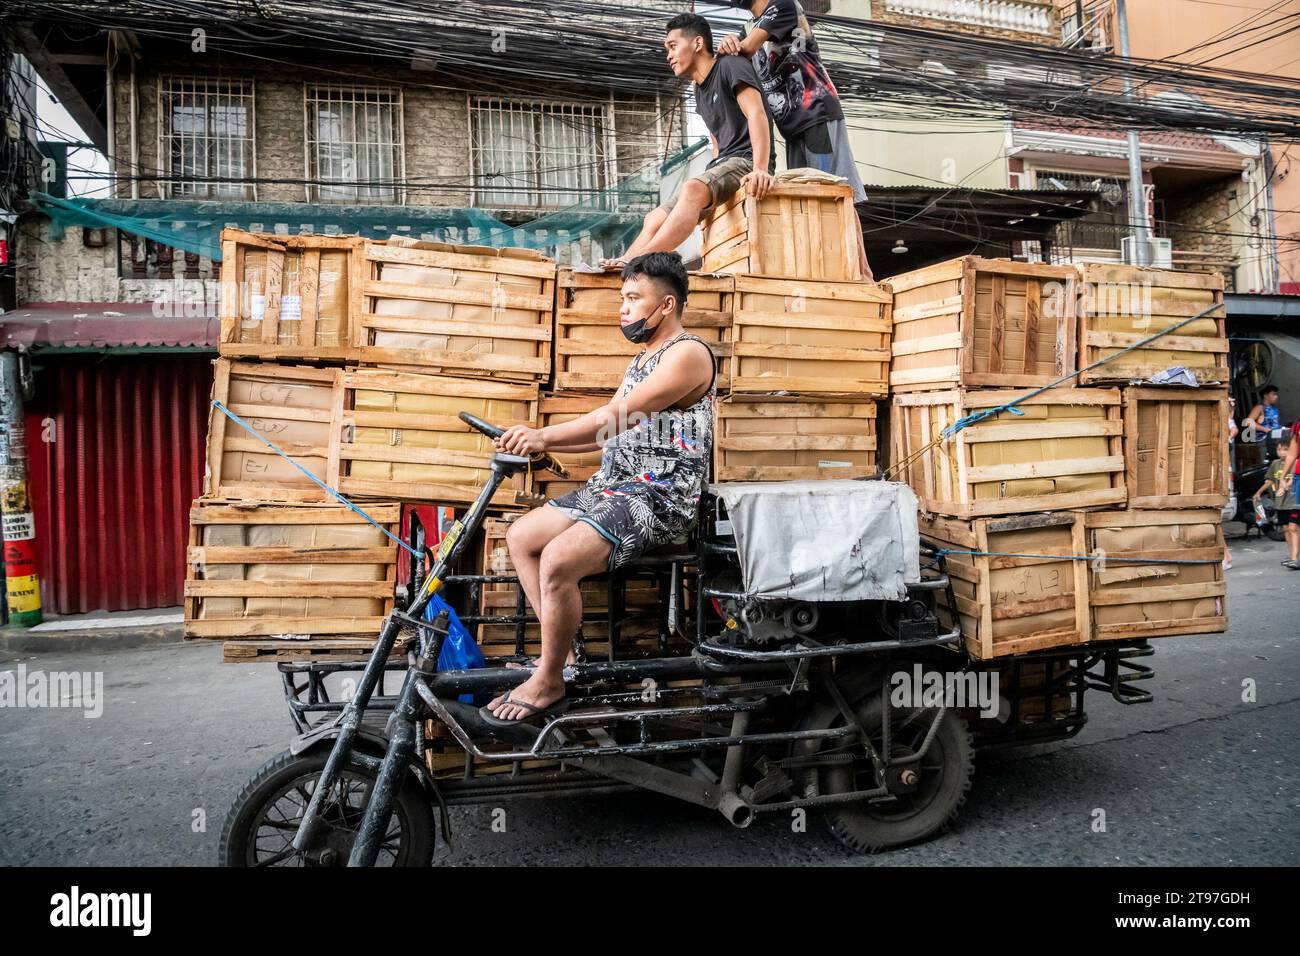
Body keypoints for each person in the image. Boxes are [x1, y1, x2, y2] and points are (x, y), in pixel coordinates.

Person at [481, 252, 716, 725]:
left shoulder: (688, 354)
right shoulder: (644, 358)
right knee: (522, 538)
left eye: (633, 298)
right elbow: (610, 433)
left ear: (666, 305)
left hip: (658, 496)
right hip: (616, 486)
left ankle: (547, 682)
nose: (624, 309)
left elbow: (614, 418)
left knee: (559, 560)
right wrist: (546, 450)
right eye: (623, 298)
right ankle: (562, 660)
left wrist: (543, 434)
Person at [599, 13, 774, 270]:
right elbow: (716, 141)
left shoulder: (729, 66)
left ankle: (638, 261)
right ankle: (625, 260)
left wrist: (760, 169)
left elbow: (756, 113)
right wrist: (709, 180)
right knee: (654, 217)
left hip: (746, 160)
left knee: (691, 188)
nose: (668, 56)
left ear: (697, 43)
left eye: (673, 46)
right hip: (723, 165)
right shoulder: (698, 89)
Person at [717, 0, 871, 278]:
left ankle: (863, 274)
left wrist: (731, 44)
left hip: (817, 113)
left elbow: (746, 49)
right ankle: (833, 273)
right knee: (809, 196)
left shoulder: (783, 5)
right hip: (791, 127)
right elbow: (728, 61)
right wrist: (727, 44)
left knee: (835, 193)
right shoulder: (747, 28)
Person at [1277, 422, 1300, 570]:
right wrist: (1282, 477)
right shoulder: (1298, 426)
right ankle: (1294, 558)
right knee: (1293, 522)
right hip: (1299, 476)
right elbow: (1292, 453)